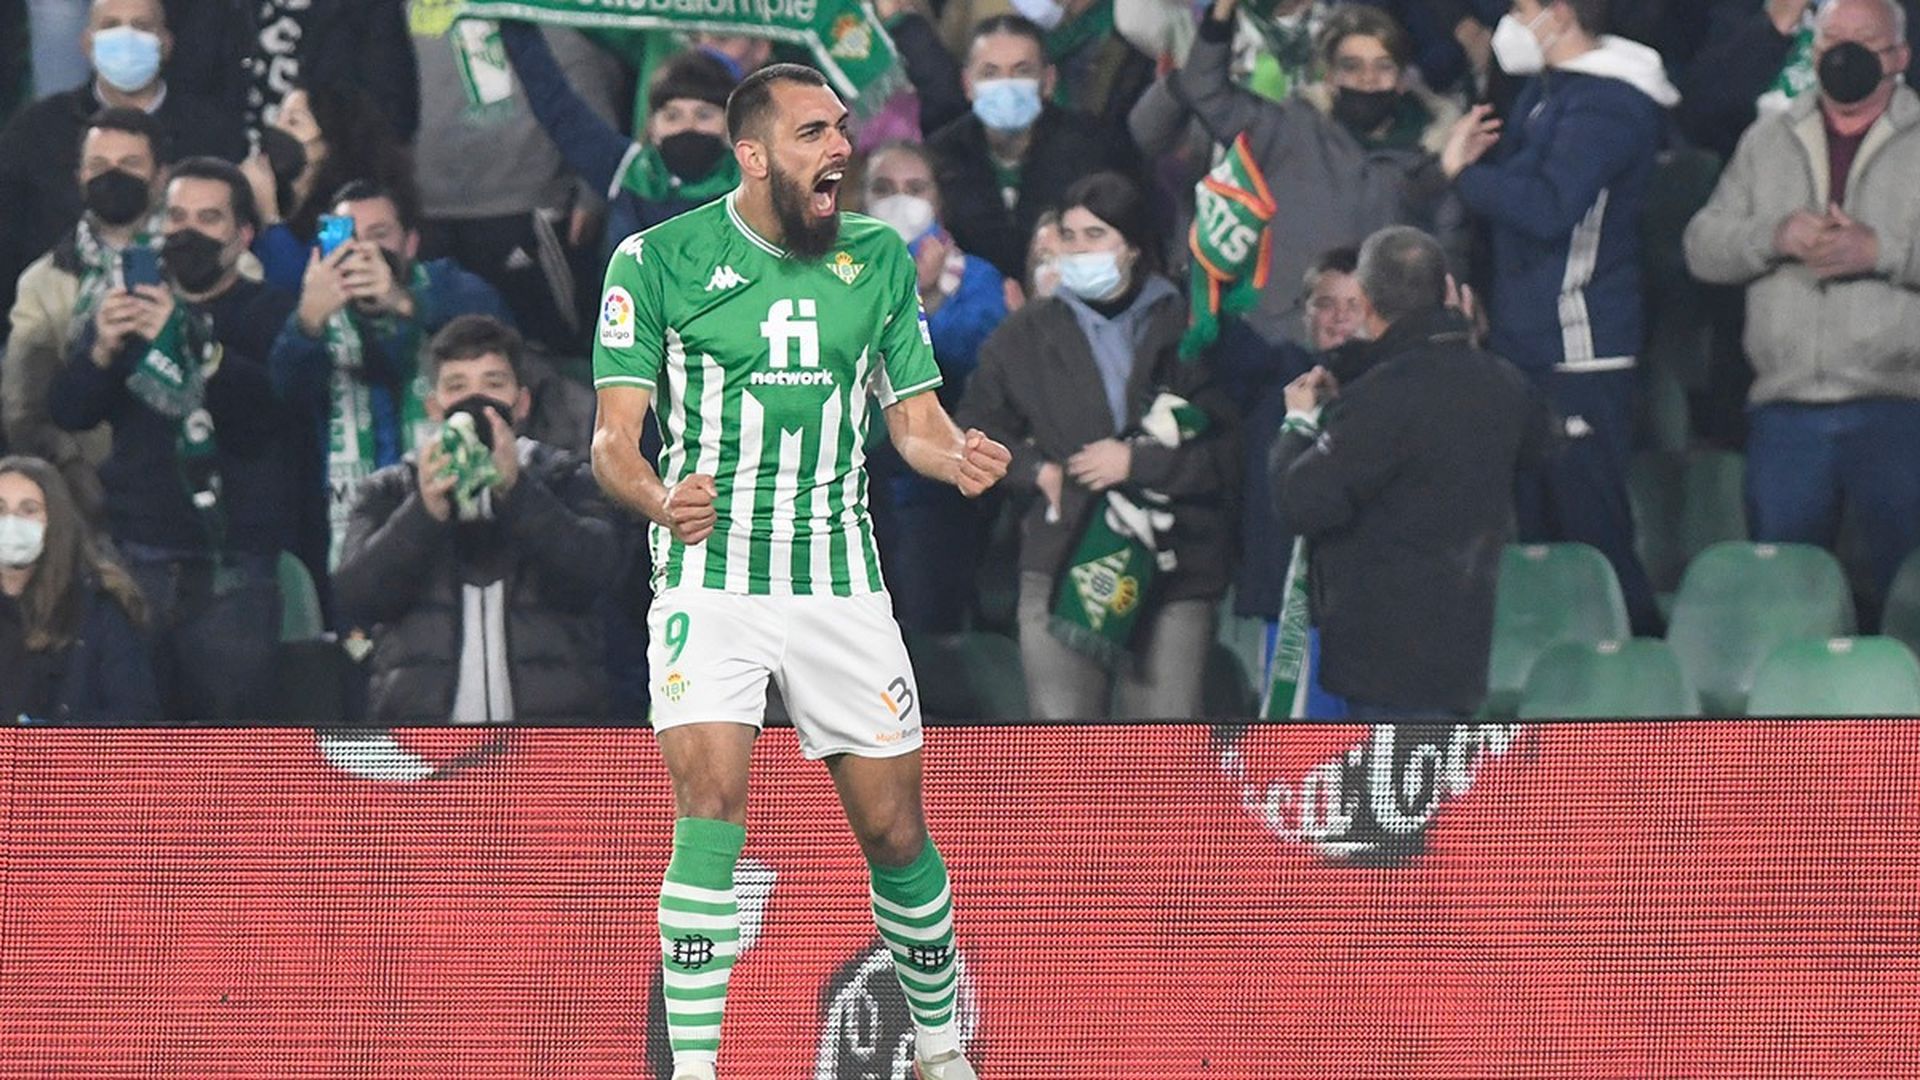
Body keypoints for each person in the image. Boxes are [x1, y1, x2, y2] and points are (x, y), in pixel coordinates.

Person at [589, 64, 1010, 1080]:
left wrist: (950, 452)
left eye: (842, 129)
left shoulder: (875, 257)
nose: (841, 150)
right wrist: (657, 498)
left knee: (895, 826)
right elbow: (612, 443)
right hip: (710, 575)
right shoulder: (654, 260)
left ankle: (944, 1052)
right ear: (753, 154)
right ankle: (694, 1069)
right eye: (815, 132)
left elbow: (911, 417)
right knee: (711, 807)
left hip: (838, 581)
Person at [958, 171, 1238, 721]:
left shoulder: (1192, 327)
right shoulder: (1024, 334)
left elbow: (1226, 451)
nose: (1079, 249)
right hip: (1062, 558)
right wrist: (1037, 470)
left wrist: (1138, 462)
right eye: (1070, 236)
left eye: (1096, 235)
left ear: (1133, 246)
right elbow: (973, 429)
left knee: (1160, 756)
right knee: (1069, 754)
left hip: (1173, 566)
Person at [1440, 0, 1675, 636]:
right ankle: (1561, 697)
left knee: (1594, 539)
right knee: (1540, 543)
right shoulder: (1549, 95)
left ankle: (1640, 677)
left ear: (1559, 12)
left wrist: (1462, 174)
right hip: (1528, 343)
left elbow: (1548, 208)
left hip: (1581, 344)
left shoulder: (1609, 105)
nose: (1510, 22)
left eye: (1522, 7)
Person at [49, 155, 308, 720]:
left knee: (231, 760)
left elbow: (262, 415)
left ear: (242, 237)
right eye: (177, 216)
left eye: (209, 218)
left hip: (232, 568)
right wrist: (100, 351)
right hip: (135, 558)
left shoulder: (272, 313)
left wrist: (190, 343)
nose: (187, 231)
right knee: (131, 754)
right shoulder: (127, 312)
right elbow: (68, 411)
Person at [1684, 0, 1920, 615]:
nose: (1843, 53)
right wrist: (1774, 236)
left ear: (1900, 56)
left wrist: (1883, 250)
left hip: (1898, 405)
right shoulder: (1766, 140)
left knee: (1909, 597)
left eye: (1864, 41)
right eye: (1831, 39)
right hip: (1785, 410)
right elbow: (1702, 247)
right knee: (1784, 601)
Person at [1272, 226, 1555, 718]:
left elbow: (1301, 501)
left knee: (1390, 795)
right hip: (1465, 653)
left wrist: (1298, 423)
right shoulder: (1504, 383)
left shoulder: (1378, 398)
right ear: (1447, 291)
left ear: (1363, 299)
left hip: (1383, 662)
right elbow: (1545, 448)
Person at [1129, 0, 1467, 349]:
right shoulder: (1290, 127)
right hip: (1278, 337)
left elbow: (1450, 249)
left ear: (1401, 79)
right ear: (1330, 76)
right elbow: (1204, 87)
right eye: (1351, 66)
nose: (1367, 80)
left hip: (1379, 345)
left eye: (1383, 67)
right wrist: (1221, 13)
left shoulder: (1432, 153)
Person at [332, 315, 620, 723]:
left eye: (493, 384)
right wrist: (424, 511)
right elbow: (358, 597)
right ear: (434, 406)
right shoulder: (388, 491)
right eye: (457, 387)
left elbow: (594, 575)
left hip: (553, 743)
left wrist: (517, 492)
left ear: (521, 403)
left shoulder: (568, 481)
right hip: (423, 746)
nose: (477, 399)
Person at [275, 179, 513, 580]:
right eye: (350, 236)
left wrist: (403, 302)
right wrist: (308, 323)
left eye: (380, 234)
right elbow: (284, 392)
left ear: (411, 242)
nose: (365, 249)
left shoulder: (446, 285)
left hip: (460, 512)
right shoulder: (316, 308)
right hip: (353, 523)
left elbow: (496, 334)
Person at [0, 0, 245, 342]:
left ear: (166, 44)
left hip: (191, 321)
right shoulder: (37, 130)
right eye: (111, 25)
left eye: (142, 27)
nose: (126, 37)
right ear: (87, 43)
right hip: (55, 326)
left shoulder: (214, 134)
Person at [860, 139, 1011, 632]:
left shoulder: (979, 278)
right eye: (883, 189)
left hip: (937, 487)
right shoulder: (835, 273)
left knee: (926, 627)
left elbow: (968, 362)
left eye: (914, 188)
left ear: (938, 200)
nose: (899, 199)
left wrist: (924, 299)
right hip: (856, 482)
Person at [409, 7, 623, 355]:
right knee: (446, 351)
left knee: (550, 348)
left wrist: (592, 188)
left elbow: (580, 73)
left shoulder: (541, 13)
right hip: (426, 208)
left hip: (525, 205)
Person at [4, 107, 163, 524]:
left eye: (130, 164)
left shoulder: (202, 266)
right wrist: (74, 469)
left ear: (160, 176)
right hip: (84, 500)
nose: (113, 175)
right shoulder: (43, 281)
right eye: (98, 165)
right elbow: (24, 408)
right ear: (78, 177)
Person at [927, 14, 1139, 282]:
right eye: (990, 73)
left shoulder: (1096, 148)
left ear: (1048, 81)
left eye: (1022, 71)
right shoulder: (939, 155)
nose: (1006, 84)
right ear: (968, 85)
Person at [499, 24, 741, 250]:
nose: (688, 127)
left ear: (730, 125)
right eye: (672, 116)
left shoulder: (755, 182)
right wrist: (513, 20)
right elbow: (555, 104)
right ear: (653, 127)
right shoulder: (626, 171)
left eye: (704, 115)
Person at [0, 453, 159, 722]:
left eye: (29, 510)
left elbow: (134, 717)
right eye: (0, 509)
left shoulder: (99, 608)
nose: (11, 523)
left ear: (56, 521)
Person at [158, 0, 419, 140]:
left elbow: (394, 114)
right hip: (221, 175)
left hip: (324, 187)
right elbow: (183, 83)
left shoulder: (368, 7)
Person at [244, 83, 417, 294]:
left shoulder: (347, 213)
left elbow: (302, 289)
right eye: (278, 118)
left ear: (329, 143)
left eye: (293, 122)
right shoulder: (276, 200)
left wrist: (270, 219)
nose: (278, 131)